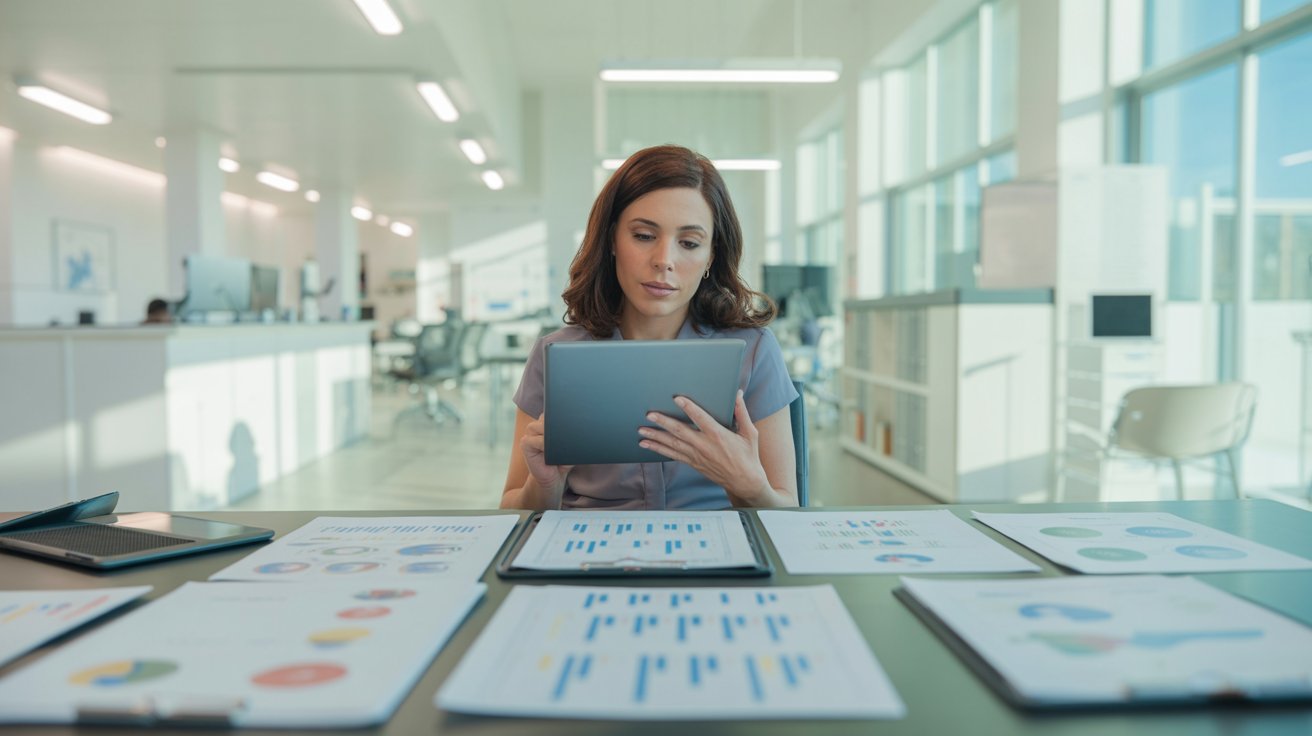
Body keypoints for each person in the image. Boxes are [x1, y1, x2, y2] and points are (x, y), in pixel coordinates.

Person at [501, 145, 799, 510]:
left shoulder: (754, 351)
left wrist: (750, 486)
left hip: (716, 554)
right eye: (643, 236)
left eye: (689, 243)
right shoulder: (554, 354)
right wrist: (545, 484)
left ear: (711, 256)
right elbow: (513, 510)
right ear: (612, 240)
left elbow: (787, 511)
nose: (664, 261)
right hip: (588, 553)